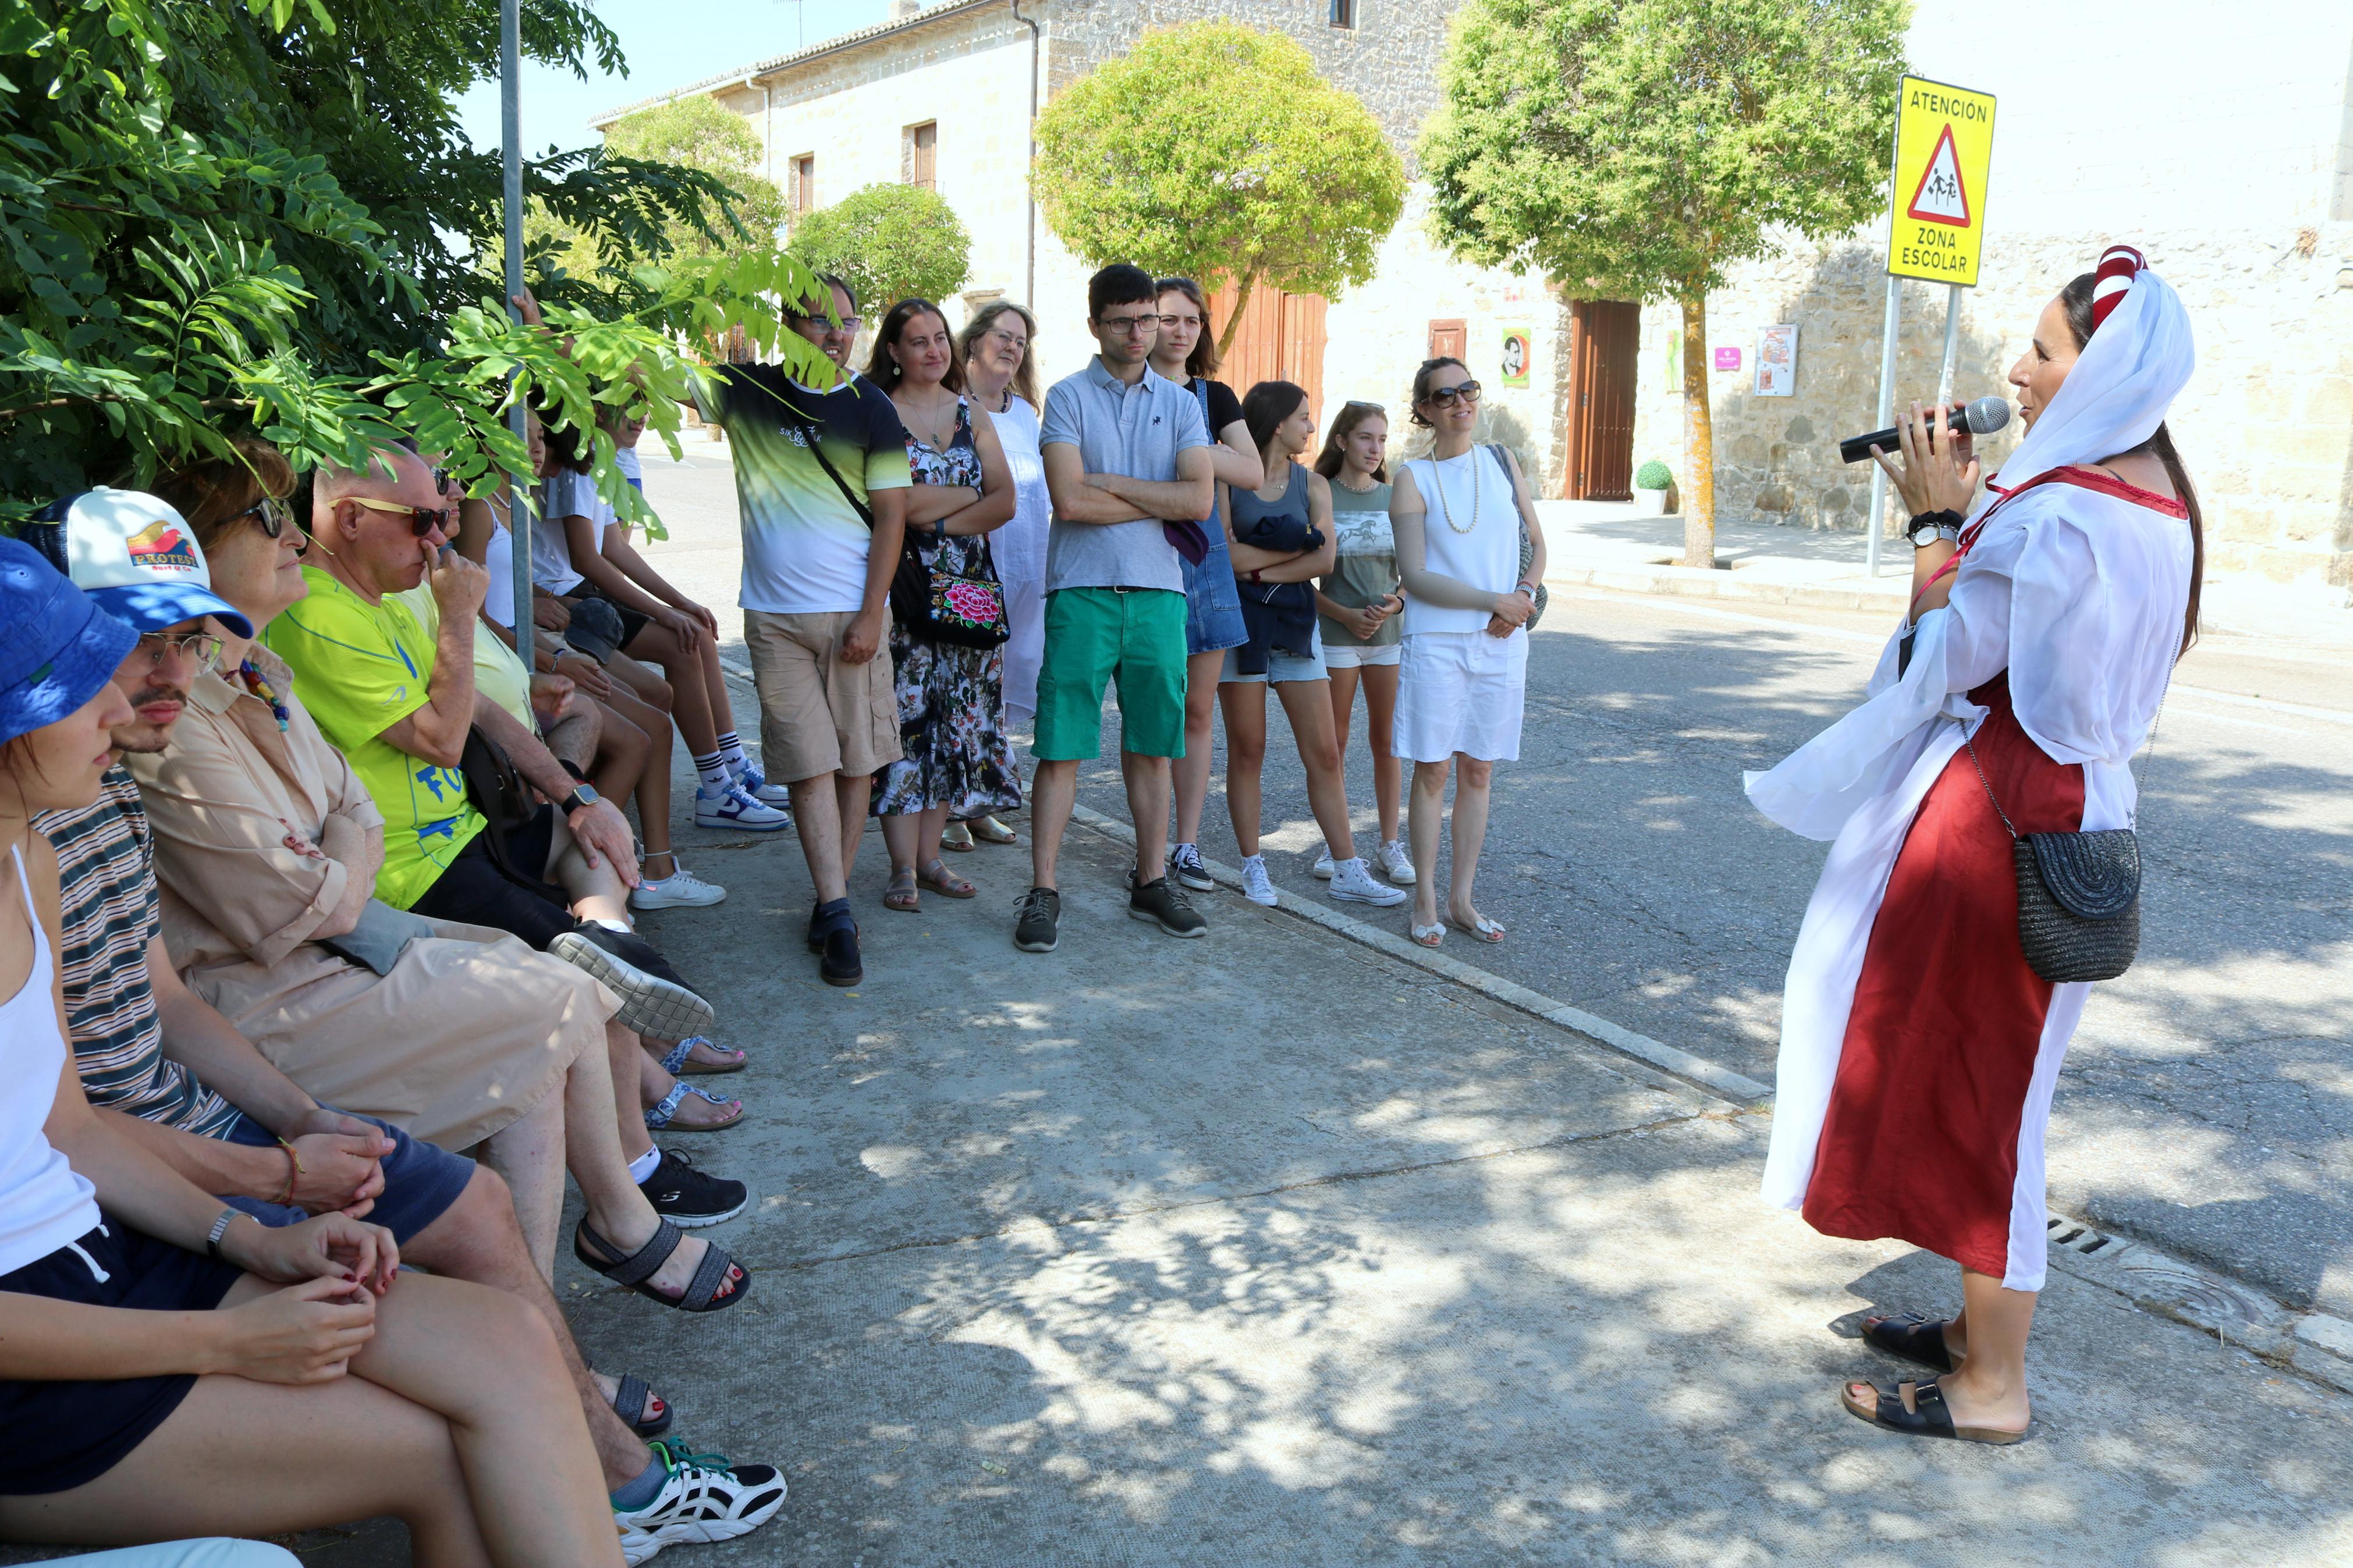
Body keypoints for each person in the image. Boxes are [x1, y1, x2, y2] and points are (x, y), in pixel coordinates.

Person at [0, 537, 637, 1565]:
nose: (128, 703)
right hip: (44, 1350)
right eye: (89, 683)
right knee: (446, 1450)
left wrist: (250, 1240)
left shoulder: (30, 850)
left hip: (110, 1259)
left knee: (505, 1343)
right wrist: (227, 1329)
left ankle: (615, 1445)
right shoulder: (50, 832)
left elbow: (63, 1128)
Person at [1747, 247, 2201, 1447]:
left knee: (1987, 1101)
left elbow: (1927, 671)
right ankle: (1965, 1333)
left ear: (2098, 372)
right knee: (1978, 1076)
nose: (2014, 369)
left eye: (2043, 353)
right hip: (2076, 813)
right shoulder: (2156, 495)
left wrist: (1935, 525)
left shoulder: (2049, 516)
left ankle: (1992, 1386)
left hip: (1993, 826)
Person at [259, 447, 721, 1048]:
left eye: (440, 513)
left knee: (597, 846)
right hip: (410, 867)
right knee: (589, 977)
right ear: (350, 519)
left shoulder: (386, 589)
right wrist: (457, 615)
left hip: (466, 824)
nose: (438, 536)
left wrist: (579, 798)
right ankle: (652, 1083)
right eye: (419, 519)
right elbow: (443, 742)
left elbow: (478, 707)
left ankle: (625, 973)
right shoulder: (319, 614)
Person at [692, 273, 911, 986]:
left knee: (854, 764)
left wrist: (872, 611)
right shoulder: (745, 390)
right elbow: (650, 375)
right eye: (821, 321)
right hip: (775, 621)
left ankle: (831, 896)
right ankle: (838, 909)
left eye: (849, 322)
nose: (838, 334)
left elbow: (892, 517)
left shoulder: (870, 406)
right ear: (788, 325)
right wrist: (552, 336)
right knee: (810, 765)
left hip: (853, 615)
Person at [1019, 264, 1216, 953]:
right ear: (1095, 324)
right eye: (1124, 321)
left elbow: (1198, 502)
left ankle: (1150, 879)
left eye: (1149, 319)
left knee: (1152, 748)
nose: (1141, 334)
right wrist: (1150, 493)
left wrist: (1110, 484)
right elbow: (1068, 502)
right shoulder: (1067, 397)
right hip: (1081, 589)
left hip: (1160, 593)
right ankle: (1043, 888)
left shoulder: (1184, 402)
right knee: (1061, 746)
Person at [455, 414, 727, 913]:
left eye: (541, 438)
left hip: (531, 646)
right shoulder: (478, 506)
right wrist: (552, 656)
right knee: (646, 733)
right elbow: (467, 612)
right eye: (526, 437)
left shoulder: (514, 499)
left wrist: (541, 611)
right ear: (491, 439)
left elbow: (504, 589)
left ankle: (611, 862)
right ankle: (612, 865)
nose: (539, 449)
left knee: (653, 714)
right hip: (507, 663)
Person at [538, 414, 790, 835]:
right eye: (627, 400)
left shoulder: (607, 460)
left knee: (692, 631)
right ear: (598, 408)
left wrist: (679, 602)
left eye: (644, 401)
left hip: (579, 592)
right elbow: (589, 558)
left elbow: (614, 545)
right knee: (682, 643)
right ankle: (715, 787)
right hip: (564, 597)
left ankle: (730, 767)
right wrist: (663, 611)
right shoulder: (581, 464)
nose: (639, 414)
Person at [1218, 383, 1407, 911]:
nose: (1309, 427)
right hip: (1242, 626)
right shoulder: (1230, 479)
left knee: (1324, 751)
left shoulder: (1313, 485)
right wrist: (1277, 560)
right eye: (1303, 417)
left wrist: (1256, 568)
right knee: (1248, 750)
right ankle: (1252, 865)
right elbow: (1223, 557)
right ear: (1277, 423)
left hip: (1297, 627)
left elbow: (1322, 564)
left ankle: (1348, 868)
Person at [864, 299, 1021, 912]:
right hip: (903, 587)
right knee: (908, 723)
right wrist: (961, 497)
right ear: (894, 351)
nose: (933, 350)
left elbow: (1004, 500)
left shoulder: (970, 411)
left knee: (958, 722)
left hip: (967, 590)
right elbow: (887, 507)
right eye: (917, 341)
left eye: (939, 339)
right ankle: (902, 867)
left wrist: (934, 517)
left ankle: (930, 860)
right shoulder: (876, 411)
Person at [1387, 358, 1546, 947]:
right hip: (1437, 642)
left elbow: (1535, 542)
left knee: (1478, 768)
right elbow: (1415, 575)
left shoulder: (1502, 462)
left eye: (1468, 390)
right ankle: (1425, 897)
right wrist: (1493, 602)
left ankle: (1461, 898)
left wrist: (1523, 595)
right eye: (1444, 395)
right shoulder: (1413, 478)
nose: (1460, 402)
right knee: (1432, 769)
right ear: (1425, 410)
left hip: (1502, 639)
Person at [1145, 278, 1260, 894]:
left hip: (1205, 558)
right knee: (1152, 705)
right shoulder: (1127, 390)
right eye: (1168, 319)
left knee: (1195, 709)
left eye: (1191, 320)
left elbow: (1252, 469)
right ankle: (1149, 848)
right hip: (1141, 553)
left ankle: (1184, 845)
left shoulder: (1214, 396)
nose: (1180, 331)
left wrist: (1193, 445)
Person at [950, 298, 1047, 850]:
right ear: (974, 341)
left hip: (1026, 566)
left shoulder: (1024, 412)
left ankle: (982, 795)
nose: (1013, 347)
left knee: (1008, 681)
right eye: (1004, 335)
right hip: (970, 568)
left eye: (1021, 341)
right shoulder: (950, 406)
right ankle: (951, 805)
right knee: (966, 684)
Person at [1312, 400, 1414, 888]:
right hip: (1335, 637)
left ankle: (1390, 844)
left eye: (1381, 439)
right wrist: (1346, 615)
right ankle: (1338, 846)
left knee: (1388, 742)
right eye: (1365, 438)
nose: (1374, 449)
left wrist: (1395, 603)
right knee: (1332, 744)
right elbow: (1299, 582)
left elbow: (1416, 573)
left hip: (1388, 639)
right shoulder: (1320, 494)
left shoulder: (1395, 497)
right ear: (1342, 441)